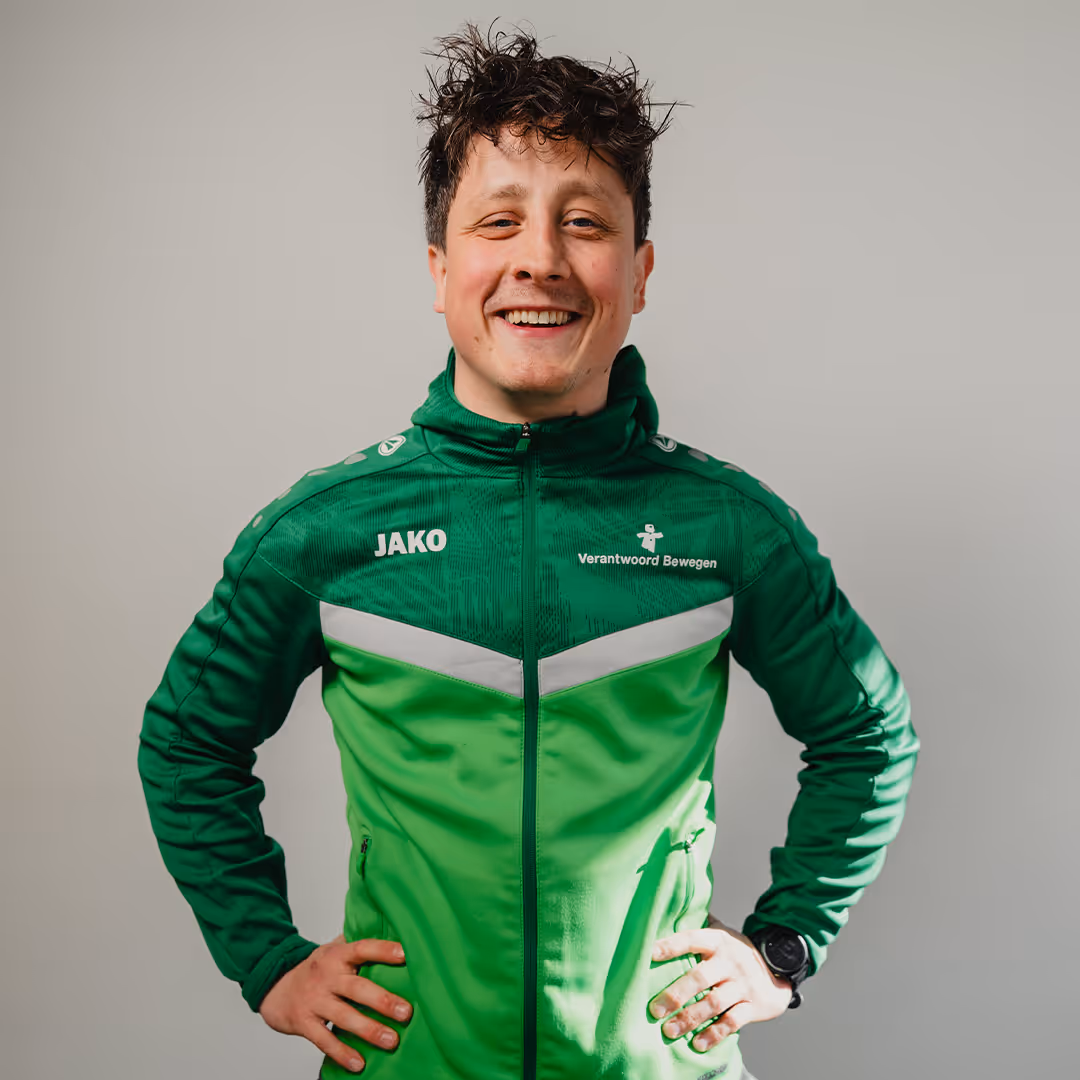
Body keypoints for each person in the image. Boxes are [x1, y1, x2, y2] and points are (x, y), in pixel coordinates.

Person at [137, 22, 919, 1080]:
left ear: (640, 272)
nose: (541, 258)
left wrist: (785, 947)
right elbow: (188, 741)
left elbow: (870, 734)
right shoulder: (323, 531)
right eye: (498, 221)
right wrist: (268, 962)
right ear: (440, 268)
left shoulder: (729, 528)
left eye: (585, 223)